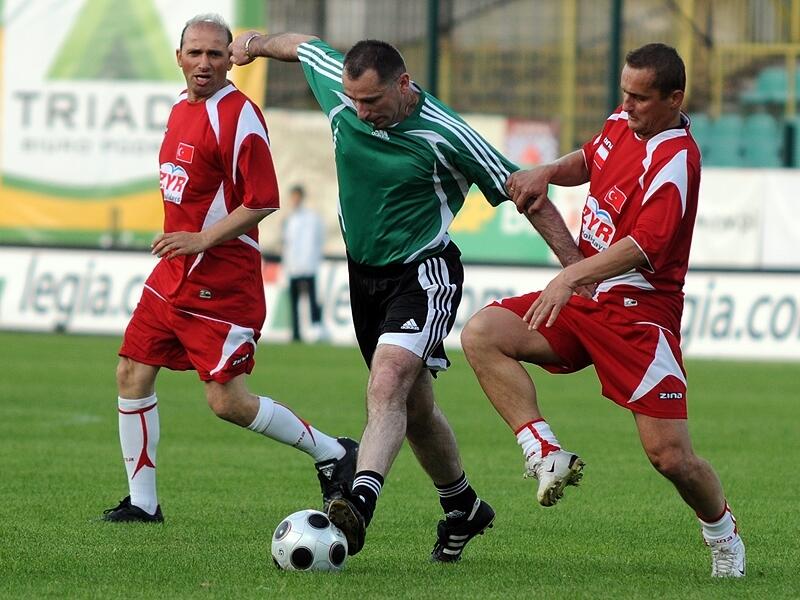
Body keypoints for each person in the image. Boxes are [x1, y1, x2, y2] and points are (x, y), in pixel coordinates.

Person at [230, 32, 584, 560]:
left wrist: (578, 271)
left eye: (371, 102)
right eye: (353, 101)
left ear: (403, 83)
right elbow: (303, 46)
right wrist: (254, 42)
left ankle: (356, 506)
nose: (360, 111)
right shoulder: (341, 85)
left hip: (424, 272)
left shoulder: (447, 135)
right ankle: (464, 507)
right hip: (363, 278)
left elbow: (526, 193)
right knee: (413, 409)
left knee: (387, 381)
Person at [460, 43, 746, 577]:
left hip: (640, 314)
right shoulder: (623, 121)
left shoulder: (678, 160)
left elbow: (645, 246)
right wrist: (547, 170)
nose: (627, 104)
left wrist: (570, 275)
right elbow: (591, 159)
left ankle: (722, 532)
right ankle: (545, 453)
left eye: (640, 97)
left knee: (671, 458)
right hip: (587, 297)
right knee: (483, 333)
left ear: (673, 98)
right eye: (624, 92)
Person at [102, 14, 357, 524]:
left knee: (226, 402)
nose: (203, 63)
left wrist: (199, 239)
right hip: (174, 274)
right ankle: (143, 504)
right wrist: (187, 241)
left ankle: (333, 451)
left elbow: (262, 200)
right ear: (178, 57)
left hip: (222, 280)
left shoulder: (238, 115)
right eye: (194, 53)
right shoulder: (179, 109)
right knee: (132, 372)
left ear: (228, 60)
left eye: (215, 54)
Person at [280, 184, 325, 342]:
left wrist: (313, 260)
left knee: (312, 298)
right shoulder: (289, 219)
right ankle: (295, 332)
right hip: (293, 266)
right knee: (294, 300)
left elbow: (318, 240)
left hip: (309, 265)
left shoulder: (311, 218)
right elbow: (286, 243)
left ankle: (316, 328)